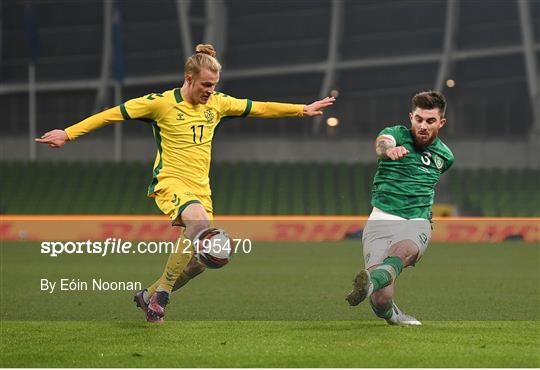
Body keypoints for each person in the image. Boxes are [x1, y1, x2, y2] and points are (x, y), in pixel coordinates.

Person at [36, 44, 335, 323]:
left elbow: (260, 107)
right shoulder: (160, 104)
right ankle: (162, 296)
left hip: (202, 190)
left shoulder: (217, 105)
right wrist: (69, 133)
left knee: (199, 264)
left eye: (214, 85)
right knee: (197, 224)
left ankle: (147, 295)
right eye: (206, 85)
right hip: (171, 181)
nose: (210, 91)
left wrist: (301, 109)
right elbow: (111, 115)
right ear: (189, 78)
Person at [345, 91, 454, 325]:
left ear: (441, 122)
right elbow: (381, 145)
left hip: (417, 220)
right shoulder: (395, 134)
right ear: (411, 117)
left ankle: (370, 282)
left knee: (404, 249)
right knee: (381, 300)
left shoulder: (445, 156)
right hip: (381, 218)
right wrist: (389, 151)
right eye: (419, 119)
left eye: (430, 121)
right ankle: (392, 314)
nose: (423, 125)